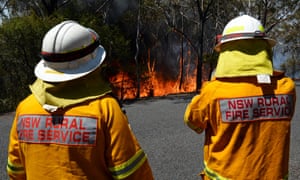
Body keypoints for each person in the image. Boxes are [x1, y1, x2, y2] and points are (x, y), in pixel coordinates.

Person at [7, 20, 154, 180]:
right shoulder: (105, 109)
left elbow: (15, 172)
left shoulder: (25, 108)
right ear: (93, 64)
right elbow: (132, 173)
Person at [184, 15, 296, 179]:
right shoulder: (287, 87)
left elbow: (192, 120)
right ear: (264, 48)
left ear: (227, 52)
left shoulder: (213, 92)